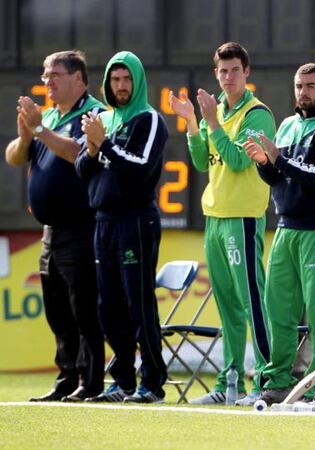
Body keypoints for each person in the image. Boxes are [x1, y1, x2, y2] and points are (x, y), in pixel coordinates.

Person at [168, 42, 276, 406]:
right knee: (228, 306)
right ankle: (229, 384)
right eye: (222, 71)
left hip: (242, 218)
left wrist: (211, 122)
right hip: (215, 217)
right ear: (216, 73)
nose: (228, 77)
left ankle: (266, 380)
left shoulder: (256, 114)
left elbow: (236, 160)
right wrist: (192, 123)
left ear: (246, 72)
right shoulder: (214, 109)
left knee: (251, 303)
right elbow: (201, 161)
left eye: (234, 70)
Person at [5, 50, 105, 402]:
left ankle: (89, 381)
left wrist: (39, 130)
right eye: (45, 75)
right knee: (57, 309)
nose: (47, 81)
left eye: (55, 75)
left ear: (78, 78)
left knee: (83, 310)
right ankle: (66, 377)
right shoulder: (45, 117)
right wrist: (27, 136)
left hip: (82, 225)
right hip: (50, 230)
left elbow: (77, 152)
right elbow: (14, 156)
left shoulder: (93, 113)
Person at [244, 63, 315, 404]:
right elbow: (278, 179)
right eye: (299, 85)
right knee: (279, 311)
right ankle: (278, 381)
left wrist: (279, 160)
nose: (303, 92)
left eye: (311, 86)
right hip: (286, 227)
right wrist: (264, 163)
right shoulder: (287, 125)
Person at [76, 51, 169, 403]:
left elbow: (140, 167)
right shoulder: (102, 119)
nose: (120, 86)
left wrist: (105, 146)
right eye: (115, 80)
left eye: (127, 79)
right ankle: (124, 382)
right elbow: (82, 172)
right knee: (108, 306)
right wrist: (91, 150)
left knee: (138, 303)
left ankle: (153, 383)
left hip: (135, 221)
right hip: (103, 222)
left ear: (138, 81)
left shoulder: (149, 119)